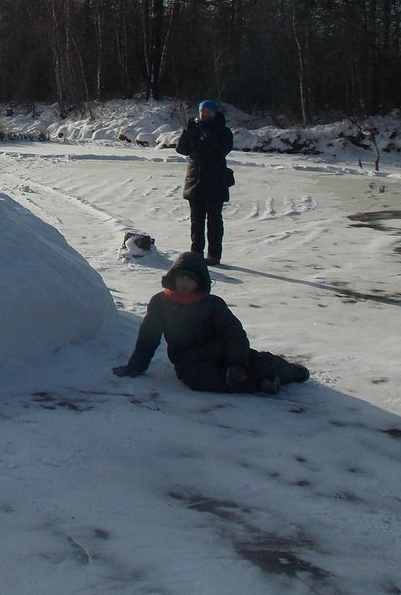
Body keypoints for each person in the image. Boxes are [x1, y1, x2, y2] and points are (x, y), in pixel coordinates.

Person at [111, 252, 309, 394]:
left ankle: (286, 372)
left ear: (201, 282)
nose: (185, 284)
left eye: (191, 279)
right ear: (173, 277)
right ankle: (260, 384)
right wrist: (136, 365)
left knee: (259, 362)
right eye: (181, 277)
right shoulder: (160, 302)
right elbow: (148, 336)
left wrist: (236, 363)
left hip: (221, 351)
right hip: (188, 360)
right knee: (202, 381)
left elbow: (234, 334)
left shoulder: (212, 304)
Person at [178, 99, 233, 265]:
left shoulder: (223, 131)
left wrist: (208, 136)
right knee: (196, 220)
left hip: (215, 182)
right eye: (203, 111)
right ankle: (196, 253)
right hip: (195, 181)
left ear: (214, 113)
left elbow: (223, 150)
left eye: (208, 111)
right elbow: (182, 149)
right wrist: (187, 132)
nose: (205, 114)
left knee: (214, 220)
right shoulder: (194, 129)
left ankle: (214, 255)